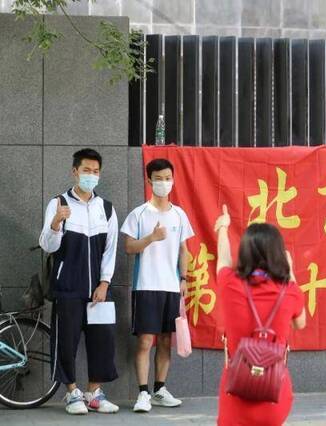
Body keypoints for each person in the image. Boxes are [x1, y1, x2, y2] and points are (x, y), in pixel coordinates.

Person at [39, 148, 119, 414]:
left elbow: (110, 250)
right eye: (86, 171)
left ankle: (94, 392)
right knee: (66, 340)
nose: (91, 176)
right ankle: (72, 392)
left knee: (102, 340)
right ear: (75, 171)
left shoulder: (106, 208)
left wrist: (104, 283)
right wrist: (56, 223)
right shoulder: (59, 203)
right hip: (68, 287)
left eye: (95, 172)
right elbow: (47, 246)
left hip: (98, 289)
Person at [214, 205, 306, 426]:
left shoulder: (230, 284)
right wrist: (290, 271)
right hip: (274, 395)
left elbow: (223, 260)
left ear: (245, 251)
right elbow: (300, 323)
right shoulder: (289, 291)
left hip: (235, 395)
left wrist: (223, 229)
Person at [120, 158, 195, 412]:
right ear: (149, 180)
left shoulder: (179, 214)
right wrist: (151, 237)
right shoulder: (139, 214)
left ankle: (160, 389)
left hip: (171, 287)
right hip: (146, 286)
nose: (164, 182)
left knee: (165, 341)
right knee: (145, 342)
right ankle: (143, 394)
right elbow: (129, 247)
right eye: (159, 178)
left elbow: (184, 250)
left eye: (168, 178)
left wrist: (183, 279)